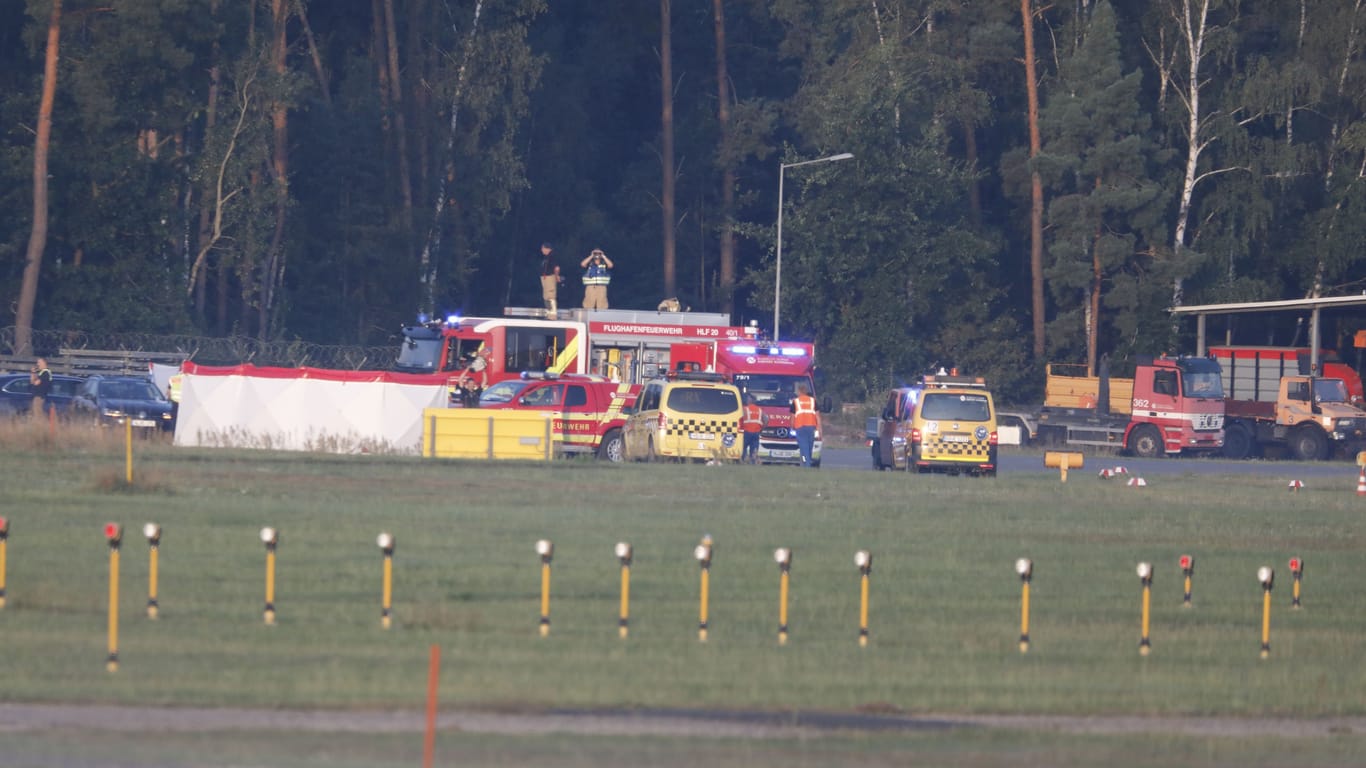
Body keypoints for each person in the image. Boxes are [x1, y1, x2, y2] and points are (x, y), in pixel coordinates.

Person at [790, 382, 820, 467]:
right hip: (811, 427)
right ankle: (806, 463)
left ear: (799, 391)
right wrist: (819, 429)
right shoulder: (813, 401)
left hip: (800, 427)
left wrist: (792, 428)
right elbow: (818, 416)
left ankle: (806, 464)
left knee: (803, 448)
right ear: (806, 391)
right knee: (809, 447)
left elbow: (792, 417)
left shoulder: (796, 402)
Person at [741, 393, 766, 464]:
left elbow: (739, 418)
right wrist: (761, 428)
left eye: (748, 398)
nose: (747, 400)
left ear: (750, 400)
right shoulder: (760, 410)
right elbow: (766, 419)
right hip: (756, 433)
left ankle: (743, 461)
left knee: (743, 448)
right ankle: (753, 463)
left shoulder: (745, 409)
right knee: (754, 450)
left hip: (746, 432)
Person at [539, 242, 562, 316]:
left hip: (550, 277)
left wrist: (557, 276)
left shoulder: (553, 256)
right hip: (545, 278)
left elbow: (557, 268)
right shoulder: (547, 257)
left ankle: (552, 314)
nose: (541, 250)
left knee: (550, 295)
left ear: (547, 248)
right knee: (546, 296)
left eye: (542, 248)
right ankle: (549, 313)